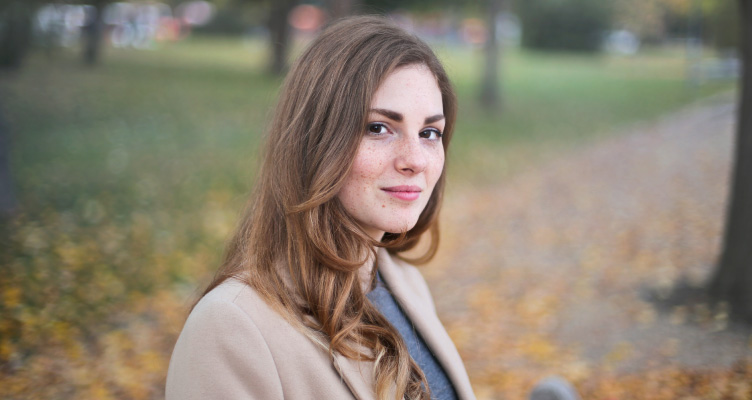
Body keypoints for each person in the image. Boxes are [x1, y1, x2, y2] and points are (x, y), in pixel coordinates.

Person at [166, 15, 474, 400]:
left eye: (430, 133)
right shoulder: (230, 329)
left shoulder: (401, 280)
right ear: (316, 142)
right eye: (378, 127)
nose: (415, 159)